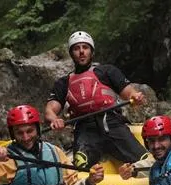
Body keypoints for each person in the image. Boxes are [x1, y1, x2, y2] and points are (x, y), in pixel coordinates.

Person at [44, 30, 151, 171]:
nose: (81, 52)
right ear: (71, 54)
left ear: (91, 51)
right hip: (85, 130)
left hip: (112, 124)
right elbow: (50, 110)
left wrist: (135, 97)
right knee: (81, 166)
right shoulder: (63, 83)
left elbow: (129, 93)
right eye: (76, 48)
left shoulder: (107, 71)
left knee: (145, 161)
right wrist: (54, 120)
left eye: (85, 47)